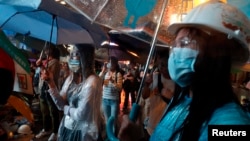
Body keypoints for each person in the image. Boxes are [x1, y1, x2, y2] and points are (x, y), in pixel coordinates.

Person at [118, 1, 250, 141]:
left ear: (217, 52)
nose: (176, 52)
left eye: (185, 43)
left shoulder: (231, 124)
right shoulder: (181, 101)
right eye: (175, 45)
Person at [40, 44, 104, 141]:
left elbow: (81, 114)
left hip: (84, 134)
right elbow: (60, 104)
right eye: (71, 55)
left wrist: (66, 109)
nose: (72, 58)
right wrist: (51, 82)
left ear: (85, 57)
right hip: (67, 128)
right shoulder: (70, 79)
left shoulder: (92, 81)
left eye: (76, 54)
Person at [140, 51, 175, 137]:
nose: (162, 68)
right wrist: (147, 85)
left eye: (165, 65)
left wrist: (170, 98)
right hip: (151, 125)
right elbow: (144, 96)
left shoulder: (177, 83)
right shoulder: (154, 77)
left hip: (166, 127)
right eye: (161, 64)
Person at [35, 46, 61, 141]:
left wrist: (41, 66)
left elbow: (49, 75)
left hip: (50, 89)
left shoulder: (55, 62)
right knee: (44, 111)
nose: (45, 52)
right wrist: (41, 65)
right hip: (43, 89)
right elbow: (41, 76)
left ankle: (55, 131)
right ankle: (46, 129)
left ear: (52, 52)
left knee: (53, 112)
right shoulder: (46, 61)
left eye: (47, 51)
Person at [99, 56, 123, 134]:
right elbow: (99, 81)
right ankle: (108, 136)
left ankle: (113, 136)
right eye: (108, 62)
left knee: (113, 121)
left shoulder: (118, 74)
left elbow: (119, 88)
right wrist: (103, 71)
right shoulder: (106, 73)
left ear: (115, 64)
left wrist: (112, 81)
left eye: (111, 62)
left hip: (113, 101)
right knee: (107, 121)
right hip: (105, 99)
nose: (109, 64)